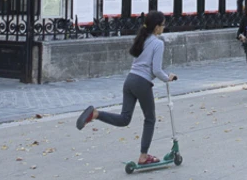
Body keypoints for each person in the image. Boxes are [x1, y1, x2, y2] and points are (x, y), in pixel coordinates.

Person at [76, 10, 177, 167]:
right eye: (163, 25)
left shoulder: (141, 39)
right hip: (142, 83)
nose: (164, 28)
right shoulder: (158, 43)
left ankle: (96, 114)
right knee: (150, 119)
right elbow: (156, 70)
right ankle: (144, 156)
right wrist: (167, 78)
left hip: (129, 81)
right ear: (157, 27)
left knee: (125, 119)